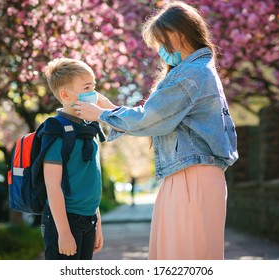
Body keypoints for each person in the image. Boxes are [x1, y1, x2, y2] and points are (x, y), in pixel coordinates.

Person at [74, 1, 238, 260]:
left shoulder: (192, 74)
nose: (160, 50)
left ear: (178, 34)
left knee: (183, 258)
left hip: (192, 176)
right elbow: (158, 117)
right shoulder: (196, 71)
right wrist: (110, 108)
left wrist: (104, 114)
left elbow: (151, 118)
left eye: (161, 41)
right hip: (189, 174)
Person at [42, 57, 104, 260]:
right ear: (65, 95)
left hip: (89, 220)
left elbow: (91, 178)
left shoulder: (89, 128)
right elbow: (52, 186)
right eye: (87, 87)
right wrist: (64, 233)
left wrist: (97, 223)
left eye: (93, 86)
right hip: (65, 222)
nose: (93, 94)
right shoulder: (57, 132)